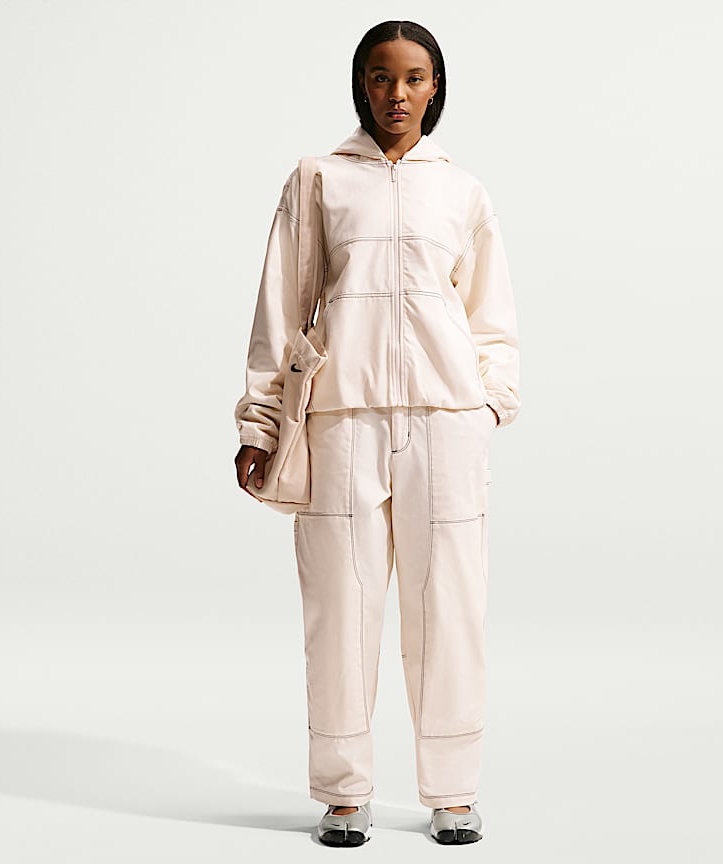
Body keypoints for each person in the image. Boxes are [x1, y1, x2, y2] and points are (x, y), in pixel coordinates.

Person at [233, 20, 519, 847]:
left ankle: (453, 792)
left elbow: (491, 318)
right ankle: (343, 793)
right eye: (381, 76)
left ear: (436, 87)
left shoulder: (462, 191)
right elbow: (280, 311)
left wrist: (487, 403)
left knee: (450, 610)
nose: (397, 93)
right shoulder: (318, 179)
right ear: (361, 84)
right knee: (340, 612)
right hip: (340, 423)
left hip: (445, 427)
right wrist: (262, 421)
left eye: (414, 77)